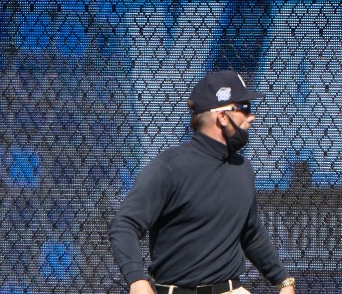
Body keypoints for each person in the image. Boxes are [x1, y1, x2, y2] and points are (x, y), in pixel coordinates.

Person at [109, 70, 296, 294]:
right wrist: (137, 281)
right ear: (223, 116)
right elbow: (125, 225)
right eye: (244, 108)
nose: (251, 117)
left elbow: (251, 232)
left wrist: (283, 281)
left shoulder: (242, 168)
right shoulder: (169, 167)